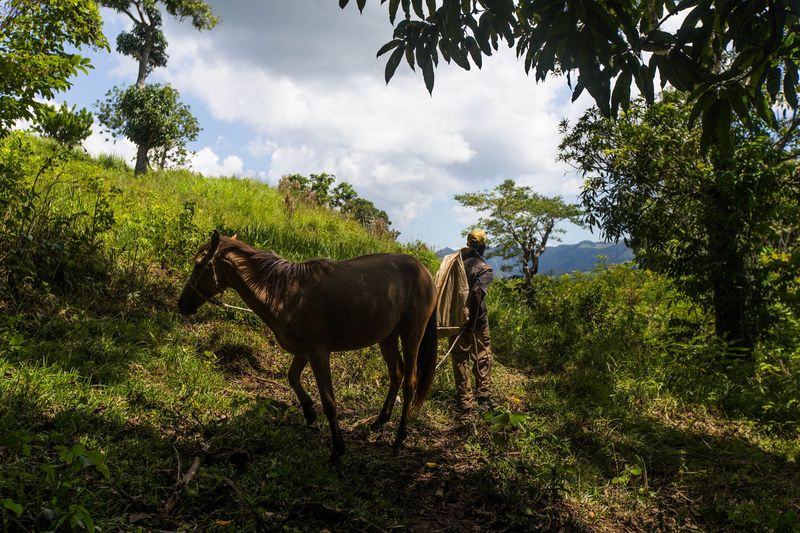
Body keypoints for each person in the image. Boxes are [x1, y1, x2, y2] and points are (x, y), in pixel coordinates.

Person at [450, 229, 496, 412]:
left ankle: (465, 403)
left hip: (455, 321)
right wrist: (470, 325)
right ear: (483, 247)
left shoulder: (456, 266)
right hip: (477, 323)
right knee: (482, 358)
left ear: (468, 245)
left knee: (460, 360)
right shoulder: (485, 269)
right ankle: (483, 398)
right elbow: (477, 294)